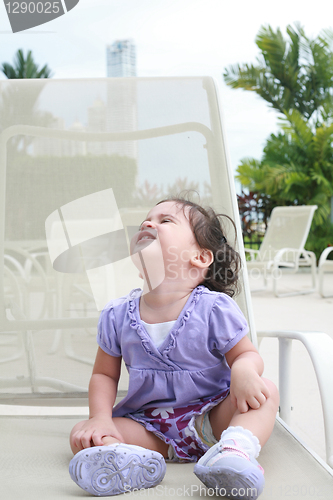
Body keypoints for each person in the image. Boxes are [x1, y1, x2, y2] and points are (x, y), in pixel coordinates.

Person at [69, 197, 279, 499]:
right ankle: (138, 462)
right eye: (146, 221)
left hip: (213, 420)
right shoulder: (116, 315)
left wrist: (244, 371)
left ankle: (234, 453)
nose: (148, 224)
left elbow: (245, 354)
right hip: (150, 428)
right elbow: (104, 376)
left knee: (266, 391)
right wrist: (100, 418)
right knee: (84, 433)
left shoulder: (214, 309)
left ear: (200, 257)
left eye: (165, 221)